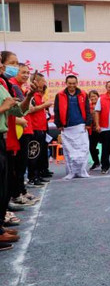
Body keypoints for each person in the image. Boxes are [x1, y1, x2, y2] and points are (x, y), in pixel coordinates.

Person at [0, 72, 37, 248]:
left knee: (4, 185)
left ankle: (0, 227)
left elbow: (18, 110)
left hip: (4, 138)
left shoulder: (2, 85)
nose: (3, 66)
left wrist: (29, 96)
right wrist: (3, 107)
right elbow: (7, 107)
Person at [53, 75, 92, 180]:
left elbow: (88, 109)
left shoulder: (83, 94)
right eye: (70, 83)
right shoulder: (59, 95)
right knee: (69, 150)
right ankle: (71, 172)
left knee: (83, 149)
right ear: (66, 83)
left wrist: (88, 123)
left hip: (81, 125)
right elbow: (56, 110)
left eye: (74, 83)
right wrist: (59, 124)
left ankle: (82, 171)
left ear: (77, 83)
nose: (72, 85)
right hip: (67, 126)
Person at [26, 72, 53, 188]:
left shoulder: (39, 95)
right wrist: (44, 105)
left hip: (41, 128)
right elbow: (30, 110)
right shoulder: (31, 95)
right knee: (34, 154)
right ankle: (32, 177)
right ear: (36, 81)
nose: (44, 83)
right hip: (34, 128)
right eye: (42, 81)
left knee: (40, 153)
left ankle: (38, 174)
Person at [87, 90, 101, 170]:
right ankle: (96, 162)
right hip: (92, 130)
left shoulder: (102, 105)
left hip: (102, 129)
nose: (93, 98)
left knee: (105, 146)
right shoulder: (88, 107)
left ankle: (105, 163)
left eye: (94, 96)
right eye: (91, 97)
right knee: (91, 147)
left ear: (98, 96)